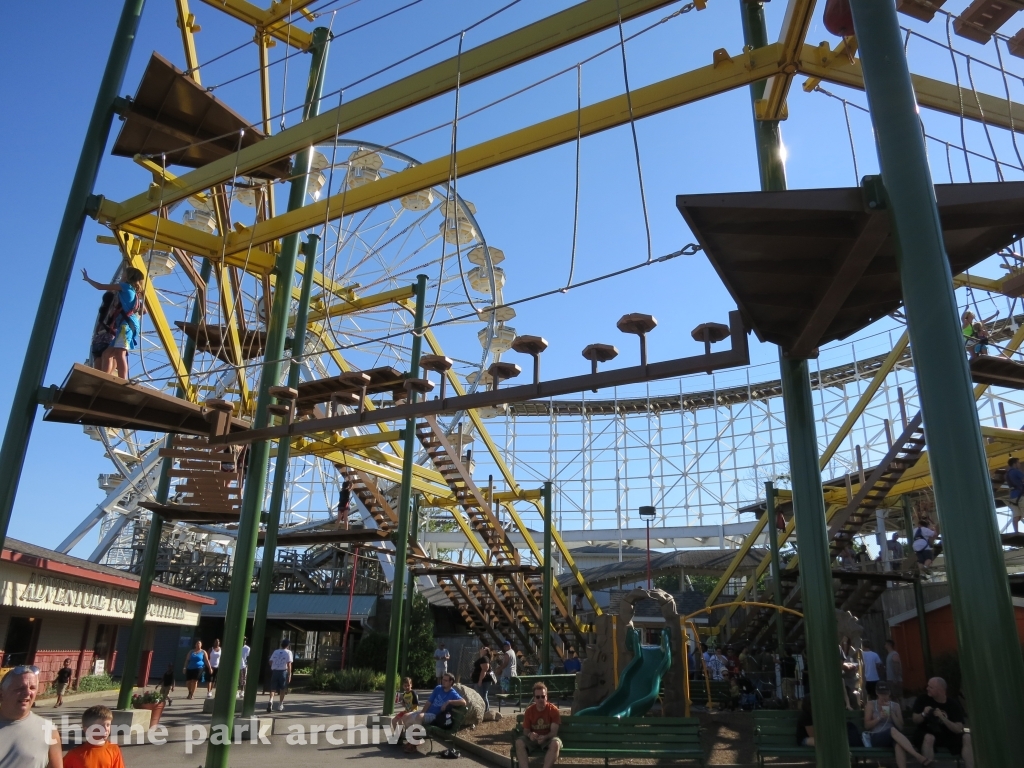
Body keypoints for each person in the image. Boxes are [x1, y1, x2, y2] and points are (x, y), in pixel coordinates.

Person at [81, 267, 145, 380]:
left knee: (120, 353)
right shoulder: (133, 293)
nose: (121, 276)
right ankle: (104, 379)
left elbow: (101, 287)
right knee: (107, 354)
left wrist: (88, 279)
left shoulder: (125, 287)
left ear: (127, 276)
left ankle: (122, 380)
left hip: (127, 326)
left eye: (123, 274)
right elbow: (144, 311)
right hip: (126, 325)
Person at [0, 665, 62, 768]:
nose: (28, 692)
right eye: (20, 688)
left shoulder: (49, 730)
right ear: (1, 694)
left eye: (32, 688)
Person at [862, 682, 930, 767]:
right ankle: (917, 756)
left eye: (886, 694)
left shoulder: (895, 706)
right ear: (877, 693)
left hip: (893, 736)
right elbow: (867, 726)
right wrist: (879, 717)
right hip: (877, 736)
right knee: (892, 730)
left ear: (889, 693)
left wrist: (893, 714)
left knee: (899, 745)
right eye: (881, 694)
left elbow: (900, 727)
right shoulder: (871, 704)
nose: (883, 696)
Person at [912, 677, 974, 768]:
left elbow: (958, 728)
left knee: (967, 736)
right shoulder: (922, 699)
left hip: (946, 735)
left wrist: (943, 718)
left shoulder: (953, 704)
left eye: (931, 687)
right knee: (929, 738)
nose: (927, 688)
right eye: (928, 686)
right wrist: (924, 714)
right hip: (926, 732)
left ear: (940, 690)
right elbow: (915, 720)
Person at [403, 673, 465, 752]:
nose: (443, 681)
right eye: (443, 679)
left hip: (435, 716)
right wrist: (422, 712)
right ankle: (414, 740)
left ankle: (413, 744)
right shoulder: (438, 688)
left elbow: (463, 702)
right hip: (427, 713)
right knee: (405, 716)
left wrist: (448, 702)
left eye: (446, 680)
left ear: (451, 682)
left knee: (419, 717)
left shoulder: (452, 693)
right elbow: (429, 702)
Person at [514, 682, 562, 768]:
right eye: (538, 697)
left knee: (556, 743)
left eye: (543, 696)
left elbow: (554, 732)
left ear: (546, 697)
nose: (540, 699)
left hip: (548, 738)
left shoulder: (553, 710)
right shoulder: (529, 711)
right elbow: (526, 730)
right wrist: (530, 734)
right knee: (519, 742)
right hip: (533, 739)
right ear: (534, 699)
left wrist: (545, 737)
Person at [267, 639, 293, 713]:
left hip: (275, 671)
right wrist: (289, 674)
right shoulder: (288, 652)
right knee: (282, 689)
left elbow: (270, 661)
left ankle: (271, 701)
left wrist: (274, 666)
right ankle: (280, 705)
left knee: (273, 689)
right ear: (288, 645)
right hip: (283, 672)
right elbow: (289, 664)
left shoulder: (276, 651)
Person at [839, 636, 859, 708]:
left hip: (850, 681)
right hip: (844, 679)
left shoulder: (852, 654)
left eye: (846, 643)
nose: (845, 645)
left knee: (851, 695)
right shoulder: (840, 650)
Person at [472, 647, 493, 713]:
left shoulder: (484, 658)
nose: (481, 648)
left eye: (483, 648)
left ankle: (486, 710)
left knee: (482, 696)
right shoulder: (482, 658)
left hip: (483, 681)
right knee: (481, 695)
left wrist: (480, 680)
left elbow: (484, 669)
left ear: (486, 651)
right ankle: (484, 710)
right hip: (480, 680)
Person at [1007, 457, 1024, 534]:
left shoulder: (1008, 474)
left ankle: (1016, 532)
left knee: (1016, 515)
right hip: (1020, 495)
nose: (1020, 464)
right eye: (1018, 463)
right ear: (1015, 464)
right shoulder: (1017, 472)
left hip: (1012, 497)